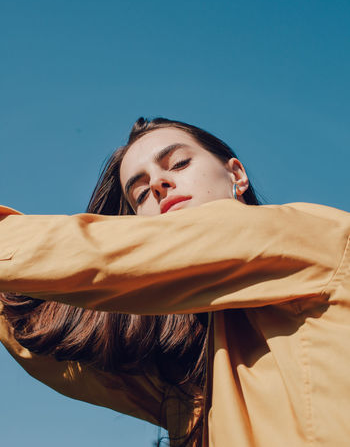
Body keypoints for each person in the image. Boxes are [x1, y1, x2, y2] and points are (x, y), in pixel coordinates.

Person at [0, 116, 350, 447]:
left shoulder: (310, 235)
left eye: (179, 164)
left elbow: (104, 255)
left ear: (237, 176)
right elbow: (50, 347)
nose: (156, 184)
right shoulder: (187, 374)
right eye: (138, 195)